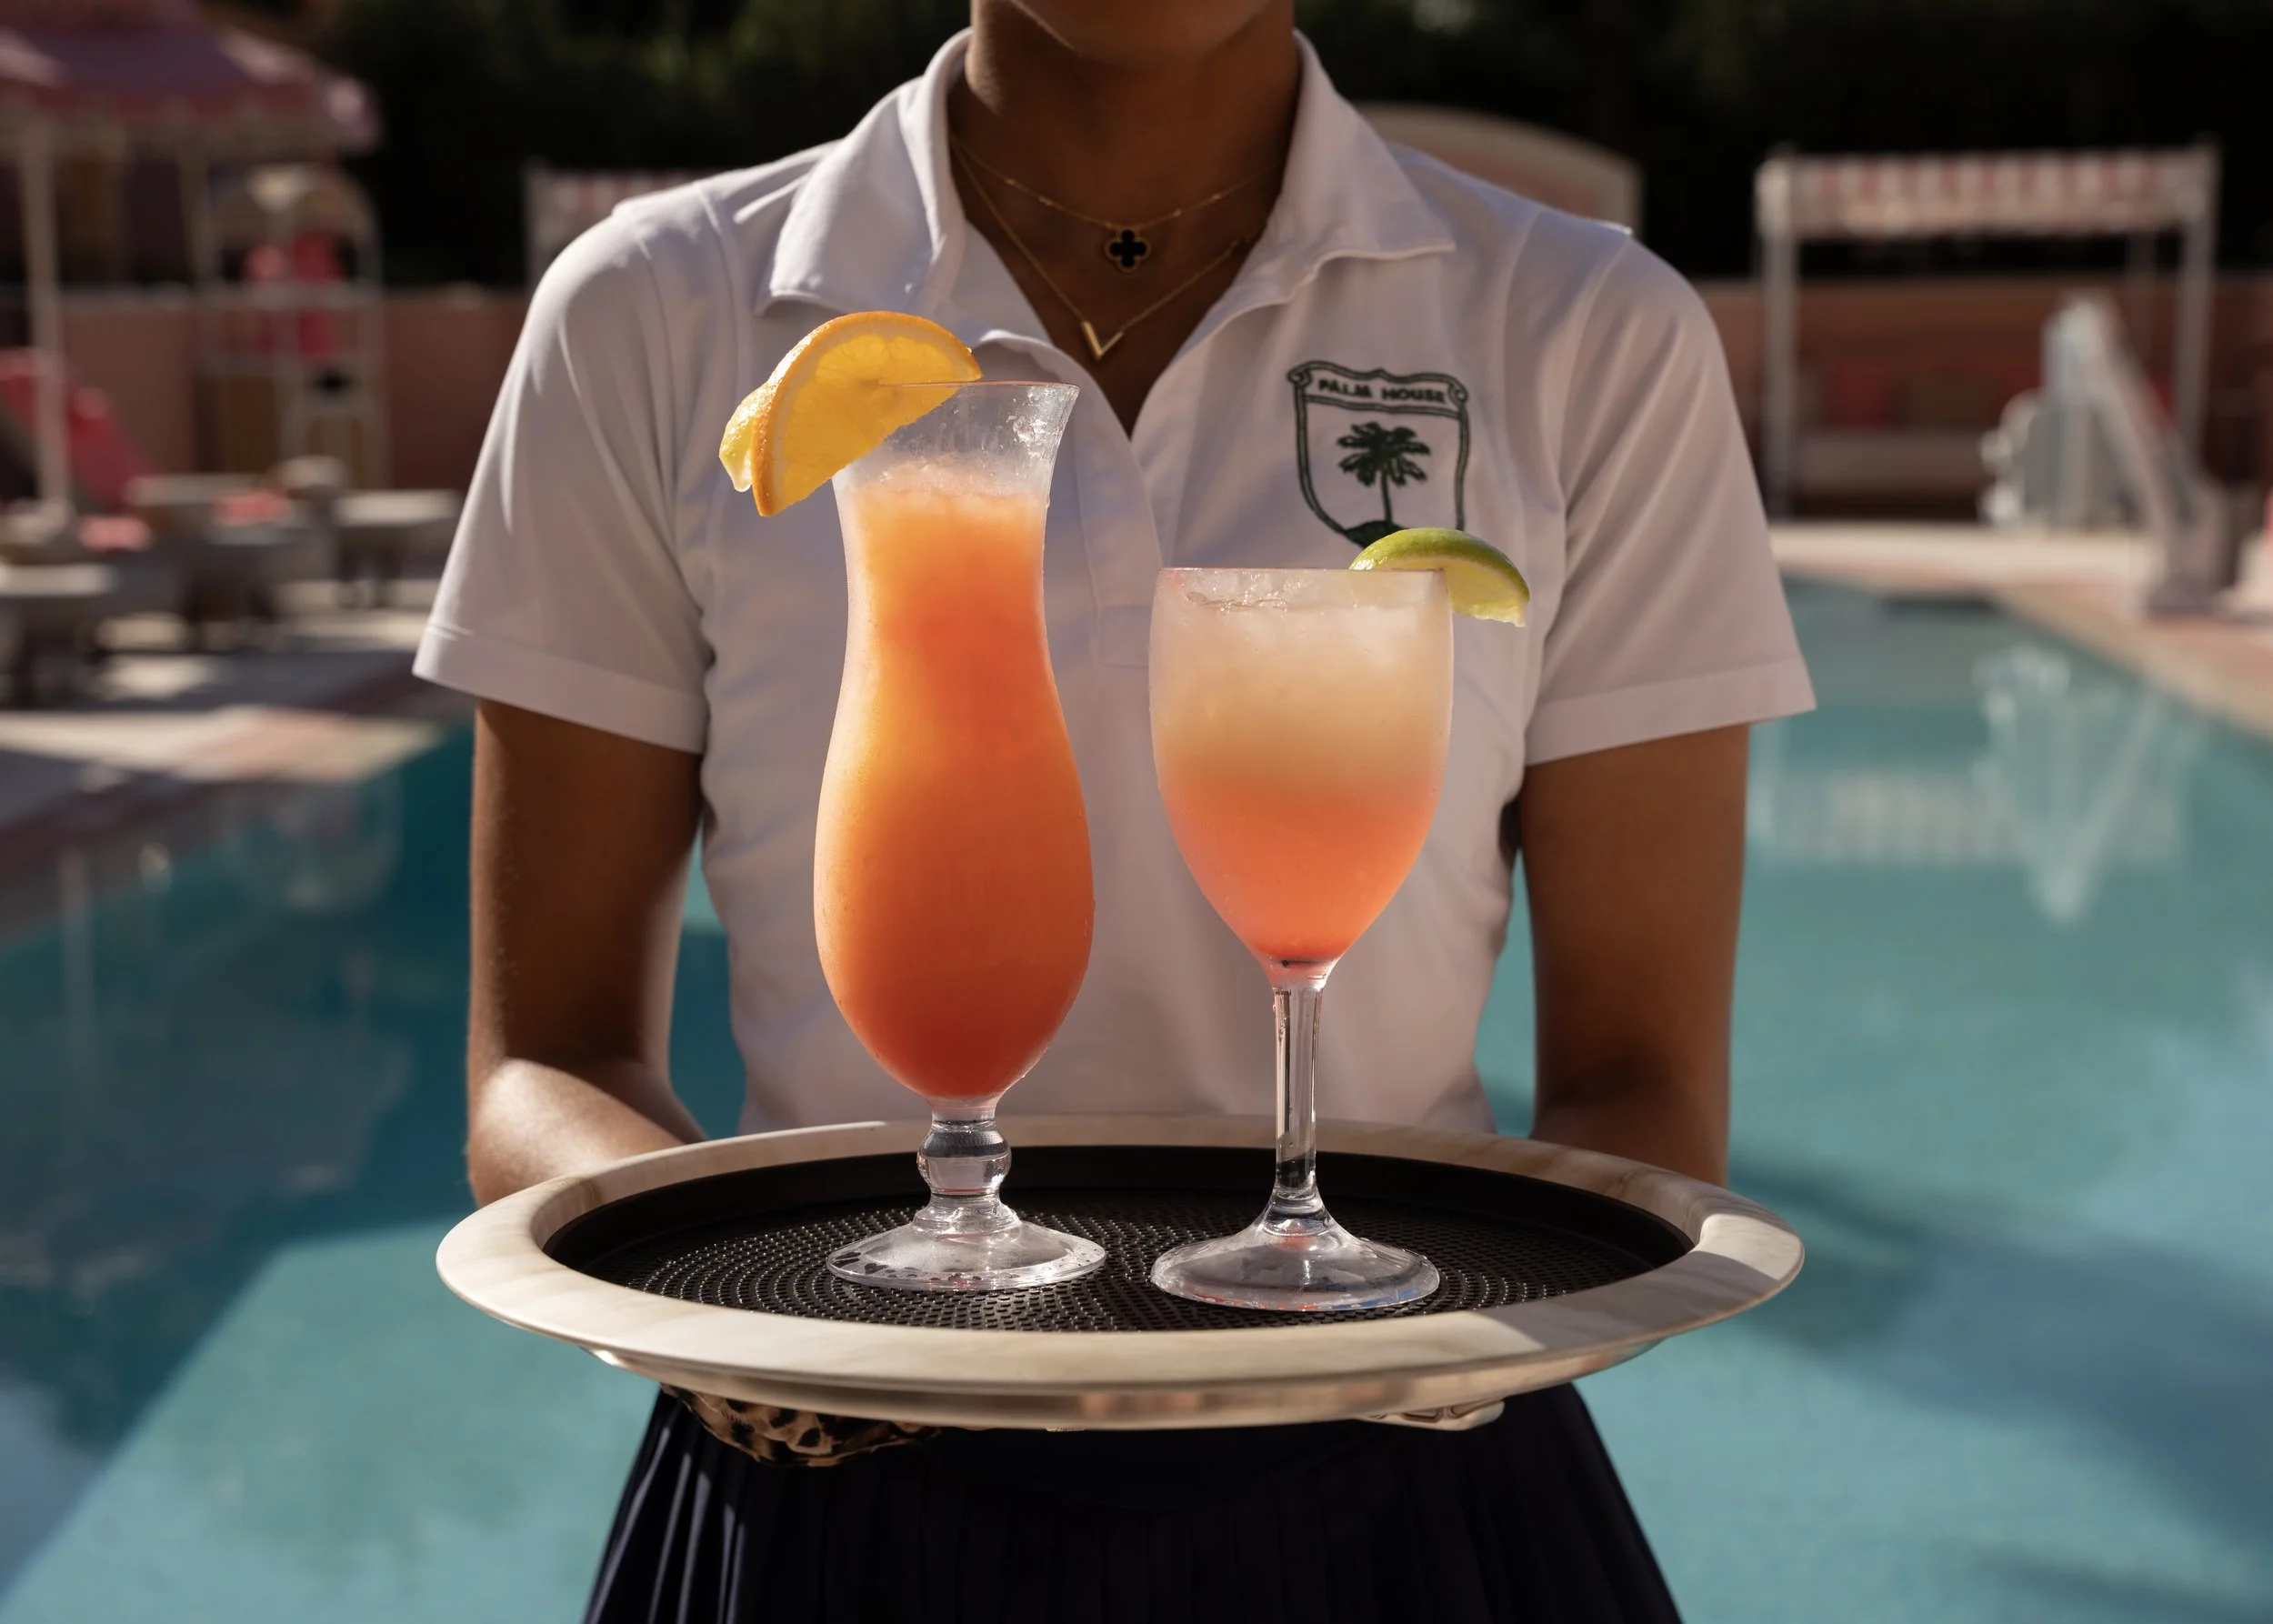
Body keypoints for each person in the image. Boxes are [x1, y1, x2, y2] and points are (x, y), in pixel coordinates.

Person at [416, 2, 1814, 1619]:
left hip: (1417, 1500)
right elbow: (541, 1065)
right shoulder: (656, 311)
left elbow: (1641, 1092)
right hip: (824, 1494)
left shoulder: (1585, 330)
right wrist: (753, 1334)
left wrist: (1447, 1353)